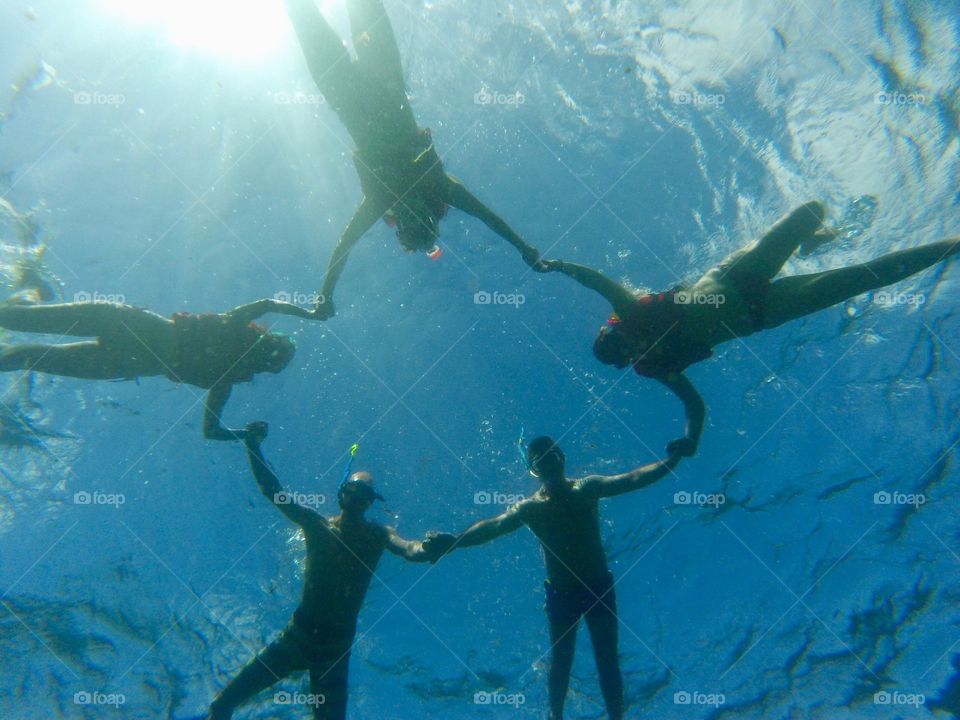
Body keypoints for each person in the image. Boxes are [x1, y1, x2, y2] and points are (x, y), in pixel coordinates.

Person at [547, 201, 960, 453]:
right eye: (626, 351)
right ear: (629, 360)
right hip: (764, 311)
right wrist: (691, 438)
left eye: (620, 337)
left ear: (616, 327)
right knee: (864, 278)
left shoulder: (634, 313)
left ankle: (815, 238)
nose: (631, 344)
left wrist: (556, 265)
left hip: (734, 273)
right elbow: (694, 405)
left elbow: (597, 280)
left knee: (810, 211)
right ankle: (952, 244)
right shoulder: (657, 366)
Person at [285, 0, 547, 317]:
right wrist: (523, 248)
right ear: (432, 214)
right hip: (385, 79)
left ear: (399, 225)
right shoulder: (440, 187)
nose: (415, 215)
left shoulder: (380, 200)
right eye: (425, 220)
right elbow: (486, 216)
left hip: (346, 95)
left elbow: (344, 247)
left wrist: (325, 296)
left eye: (410, 224)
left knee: (301, 13)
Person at [426, 436, 684, 720]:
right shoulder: (530, 508)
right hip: (563, 594)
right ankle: (555, 716)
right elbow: (494, 526)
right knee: (562, 663)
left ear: (561, 458)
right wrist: (455, 540)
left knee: (607, 660)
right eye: (541, 460)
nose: (548, 463)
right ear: (533, 469)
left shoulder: (587, 488)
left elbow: (633, 479)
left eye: (551, 456)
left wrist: (671, 461)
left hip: (598, 587)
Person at [194, 421, 437, 719]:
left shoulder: (379, 535)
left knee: (226, 704)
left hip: (335, 649)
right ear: (342, 493)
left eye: (364, 495)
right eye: (353, 490)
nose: (357, 499)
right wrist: (253, 446)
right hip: (298, 635)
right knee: (221, 704)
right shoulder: (316, 525)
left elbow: (410, 548)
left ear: (370, 503)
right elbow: (273, 491)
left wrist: (428, 548)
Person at [0, 297, 313, 440]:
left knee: (20, 323)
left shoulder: (234, 327)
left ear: (264, 336)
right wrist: (247, 435)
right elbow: (212, 432)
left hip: (128, 323)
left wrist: (309, 313)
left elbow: (268, 303)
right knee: (27, 354)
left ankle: (20, 300)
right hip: (127, 361)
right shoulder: (224, 379)